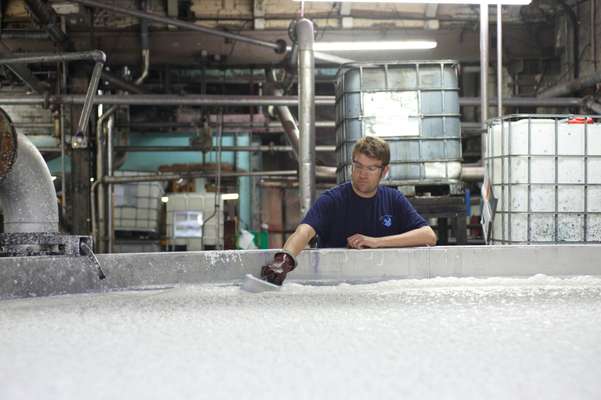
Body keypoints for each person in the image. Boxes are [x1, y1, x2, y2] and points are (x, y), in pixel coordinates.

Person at [261, 136, 437, 285]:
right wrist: (285, 259)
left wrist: (376, 242)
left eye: (371, 168)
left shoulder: (393, 200)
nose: (362, 174)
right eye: (358, 166)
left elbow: (428, 236)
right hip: (336, 286)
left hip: (382, 285)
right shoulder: (332, 200)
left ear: (384, 171)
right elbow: (304, 232)